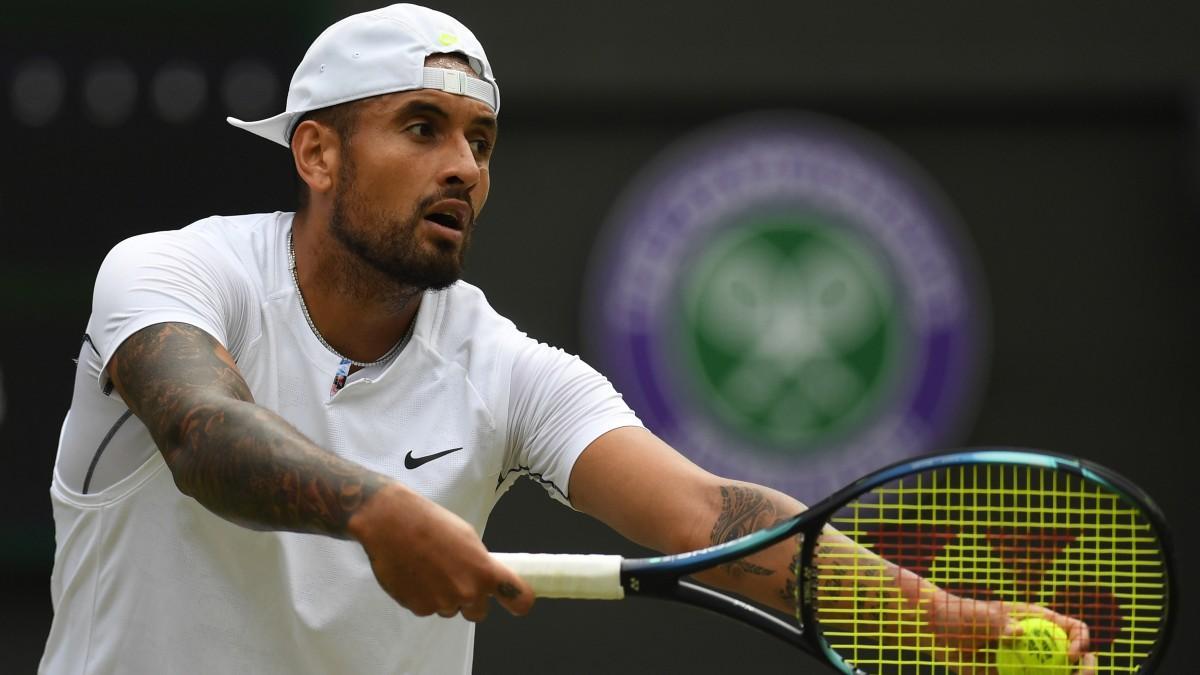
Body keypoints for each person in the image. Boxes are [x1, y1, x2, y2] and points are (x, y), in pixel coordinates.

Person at [40, 4, 1096, 674]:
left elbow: (713, 516)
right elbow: (200, 432)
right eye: (422, 128)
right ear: (316, 154)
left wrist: (962, 626)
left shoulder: (499, 367)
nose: (464, 167)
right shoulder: (173, 272)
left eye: (481, 141)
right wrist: (378, 512)